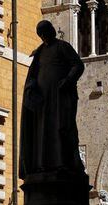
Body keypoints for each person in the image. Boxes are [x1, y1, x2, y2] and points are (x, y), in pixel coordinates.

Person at [19, 20, 85, 180]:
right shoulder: (40, 52)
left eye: (47, 30)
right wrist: (31, 88)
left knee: (62, 129)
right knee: (43, 132)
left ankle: (64, 163)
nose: (46, 34)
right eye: (42, 33)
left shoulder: (63, 47)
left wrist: (68, 80)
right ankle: (44, 165)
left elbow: (78, 65)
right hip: (43, 102)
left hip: (60, 98)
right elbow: (33, 75)